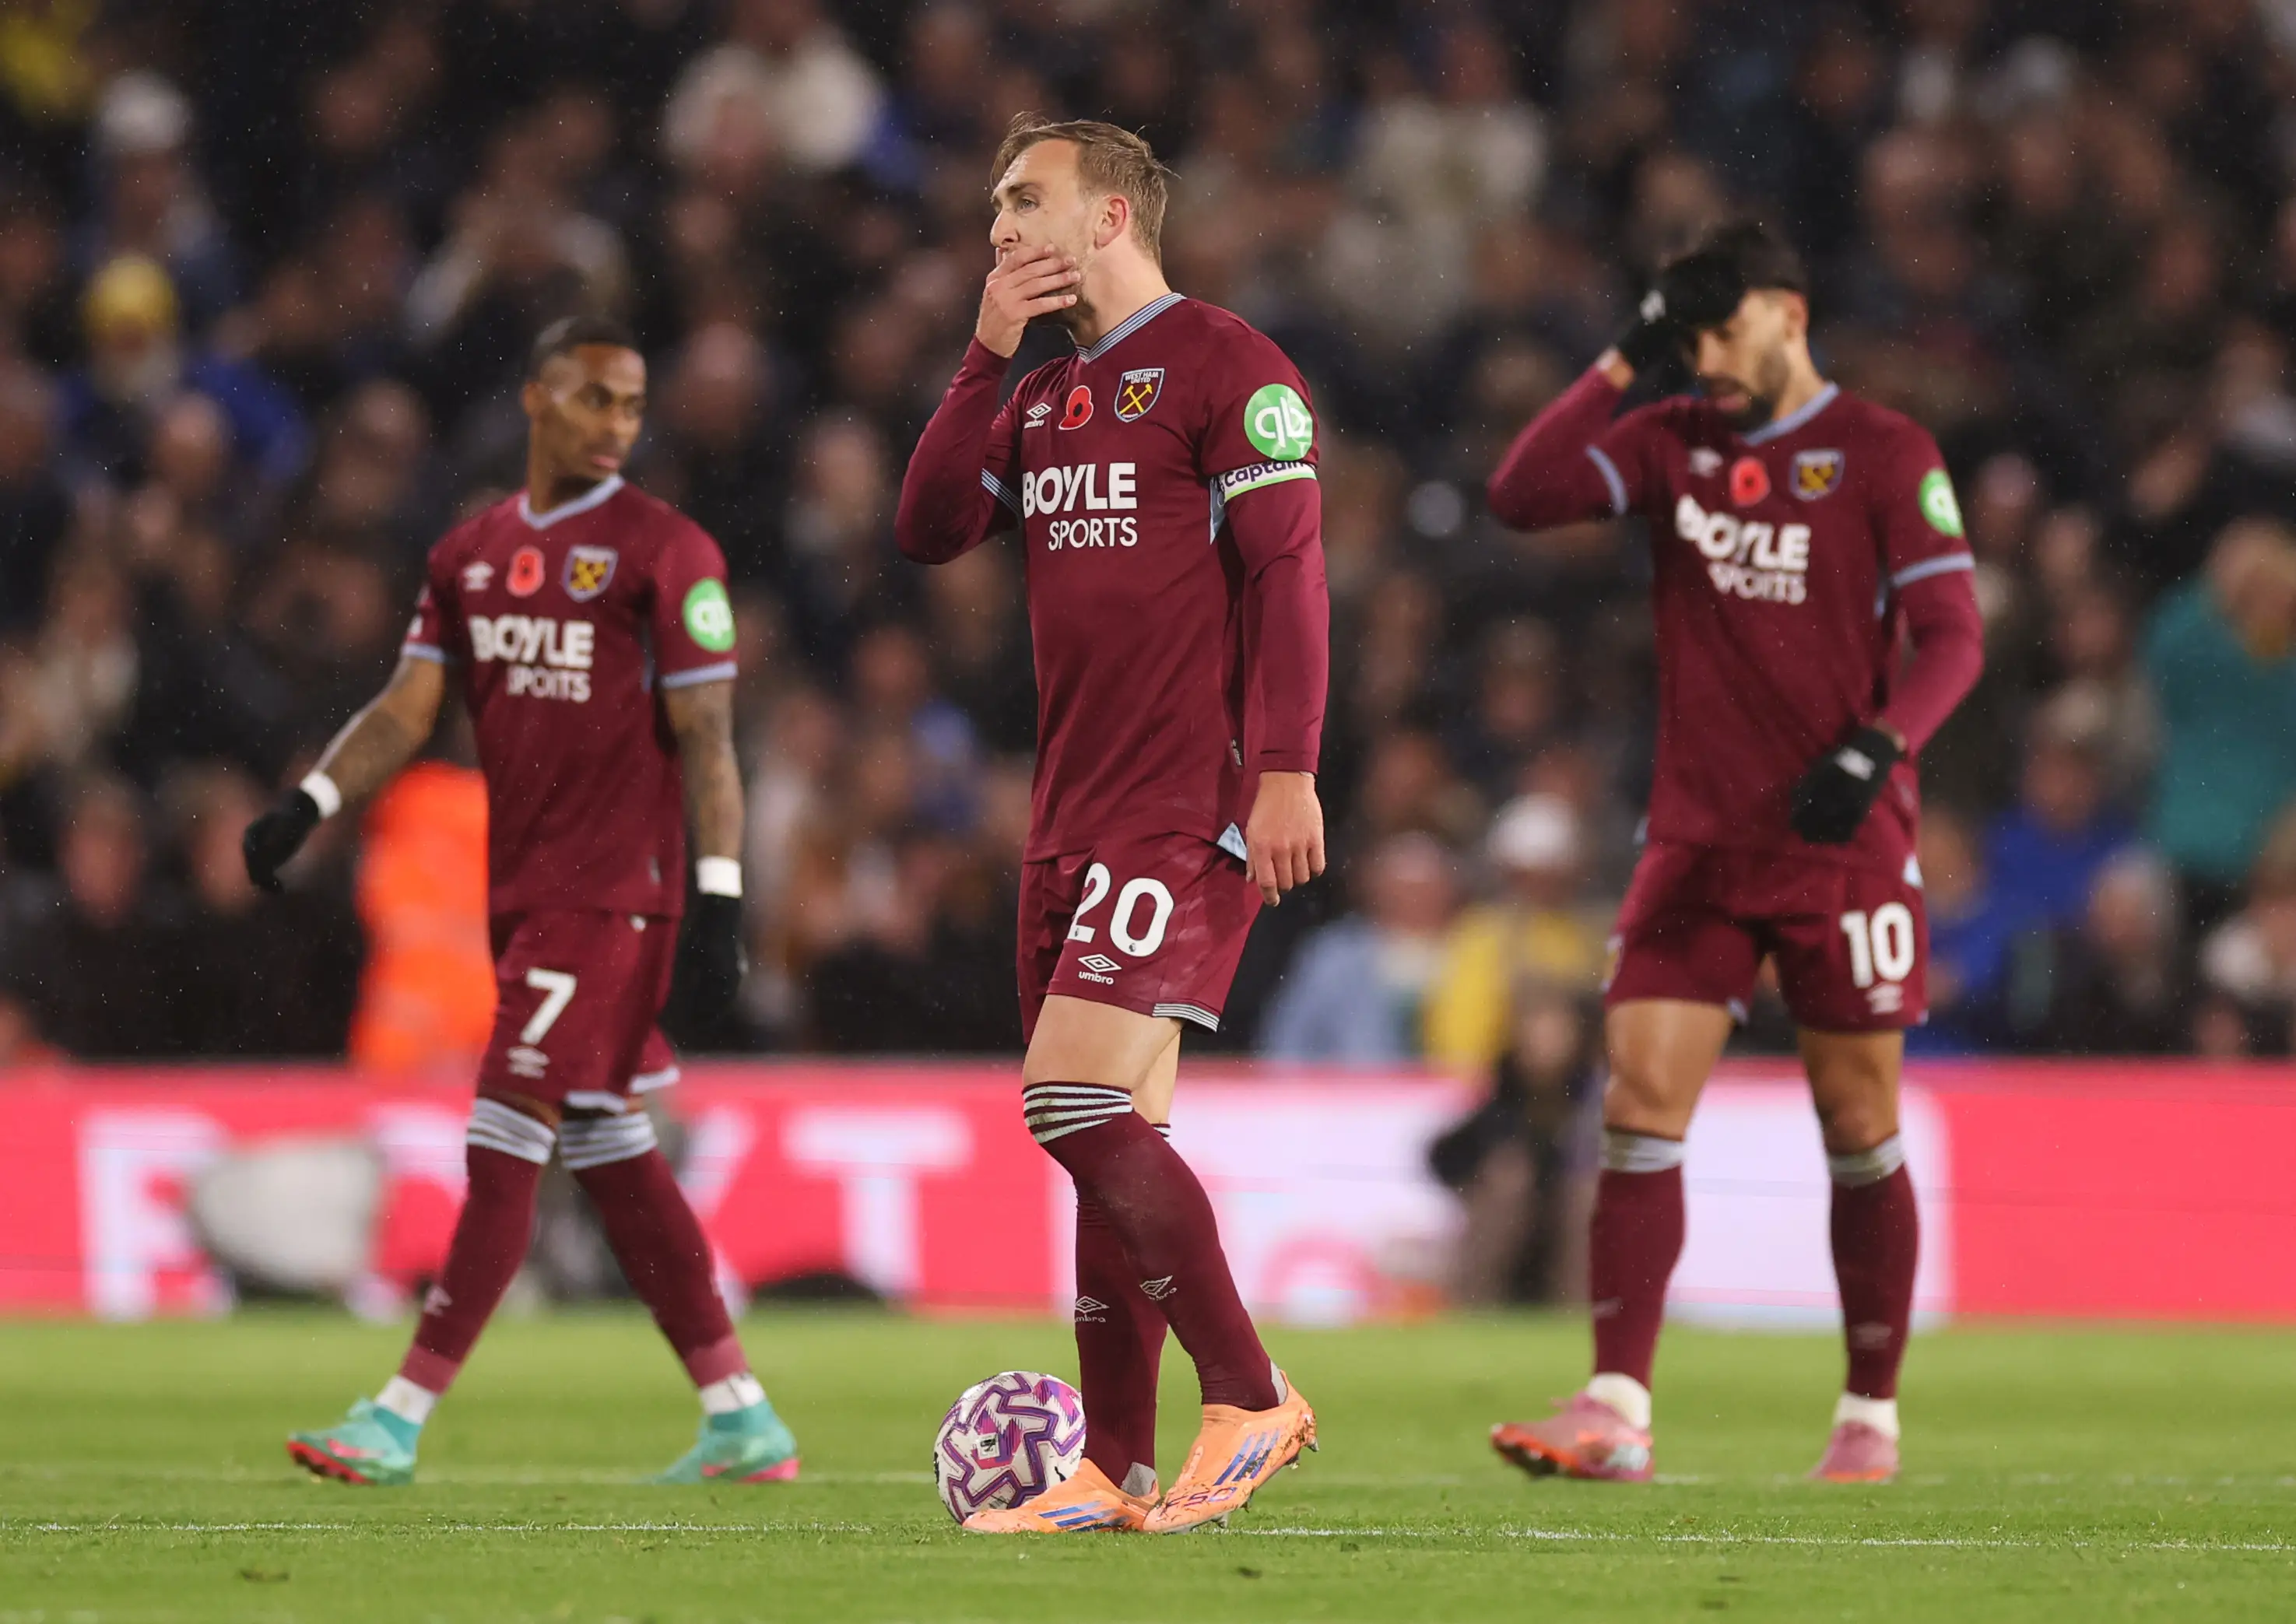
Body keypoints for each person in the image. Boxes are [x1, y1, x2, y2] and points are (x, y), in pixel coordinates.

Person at [240, 316, 796, 1488]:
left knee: (504, 1138)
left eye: (633, 405)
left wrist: (723, 897)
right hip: (528, 896)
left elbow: (708, 740)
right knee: (613, 1152)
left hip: (613, 898)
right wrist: (311, 799)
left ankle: (395, 1412)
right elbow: (406, 706)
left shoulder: (668, 551)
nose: (616, 424)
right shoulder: (470, 555)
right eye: (595, 399)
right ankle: (740, 1410)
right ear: (538, 399)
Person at [1482, 221, 1984, 1484]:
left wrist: (1879, 748)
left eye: (1717, 330)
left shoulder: (1884, 451)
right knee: (1638, 1108)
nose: (1698, 356)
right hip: (1697, 841)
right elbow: (1520, 493)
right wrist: (1617, 359)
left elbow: (1953, 638)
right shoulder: (1670, 439)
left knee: (1857, 1122)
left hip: (1844, 845)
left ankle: (1868, 1414)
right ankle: (1616, 1409)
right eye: (1684, 333)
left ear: (1787, 313)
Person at [896, 116, 1329, 1535]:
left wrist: (1284, 767)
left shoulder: (1224, 365)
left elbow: (1287, 575)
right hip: (1066, 815)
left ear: (1113, 219)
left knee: (1066, 1099)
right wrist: (979, 356)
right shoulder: (1044, 397)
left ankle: (1252, 1392)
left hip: (1179, 802)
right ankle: (1114, 1462)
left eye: (1027, 201)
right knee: (1110, 1124)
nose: (1001, 229)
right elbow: (928, 525)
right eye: (991, 206)